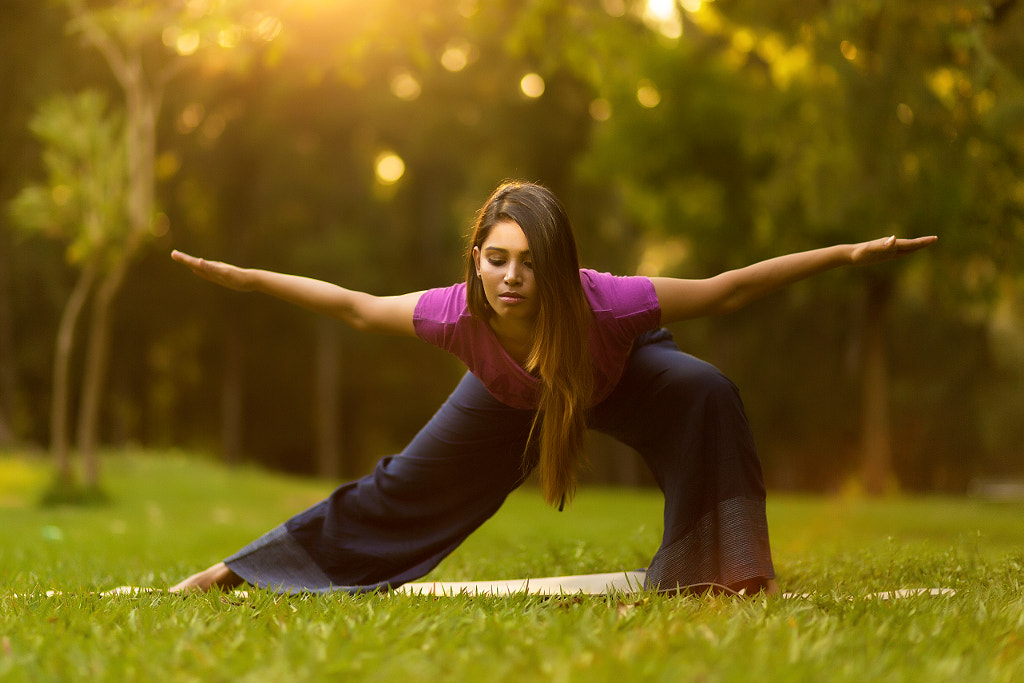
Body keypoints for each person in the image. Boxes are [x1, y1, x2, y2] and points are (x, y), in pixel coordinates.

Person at [168, 181, 935, 596]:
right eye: (498, 258)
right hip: (506, 397)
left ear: (557, 266)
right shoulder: (455, 314)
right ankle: (243, 568)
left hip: (619, 376)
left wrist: (846, 254)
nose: (512, 276)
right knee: (399, 486)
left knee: (705, 390)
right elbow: (356, 308)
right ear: (476, 259)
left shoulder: (610, 304)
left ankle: (724, 570)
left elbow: (725, 290)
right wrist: (247, 277)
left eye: (531, 262)